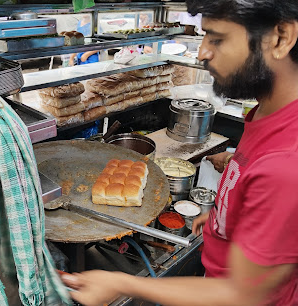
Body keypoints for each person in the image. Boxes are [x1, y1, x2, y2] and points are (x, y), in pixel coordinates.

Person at [61, 1, 298, 305]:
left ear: (281, 38)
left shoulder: (286, 164)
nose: (202, 52)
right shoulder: (268, 112)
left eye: (217, 38)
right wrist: (223, 221)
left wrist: (123, 283)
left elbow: (243, 295)